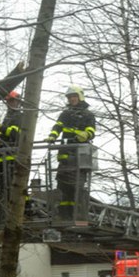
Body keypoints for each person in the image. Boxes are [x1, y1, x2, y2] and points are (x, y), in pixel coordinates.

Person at [45, 85, 96, 219]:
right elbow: (58, 127)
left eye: (74, 96)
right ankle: (64, 216)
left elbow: (92, 131)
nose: (72, 99)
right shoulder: (65, 114)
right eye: (70, 97)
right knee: (63, 188)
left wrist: (86, 134)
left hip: (80, 157)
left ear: (80, 96)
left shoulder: (88, 115)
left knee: (76, 188)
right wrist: (52, 136)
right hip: (65, 156)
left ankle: (77, 216)